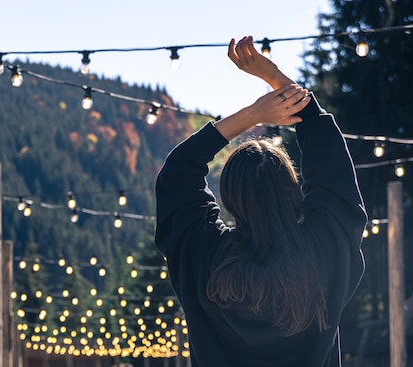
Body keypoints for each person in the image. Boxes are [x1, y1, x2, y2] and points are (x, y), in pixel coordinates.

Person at [154, 36, 367, 367]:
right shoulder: (322, 250)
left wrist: (252, 115)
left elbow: (177, 173)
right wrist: (276, 79)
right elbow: (332, 171)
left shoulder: (204, 255)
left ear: (229, 196)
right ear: (294, 190)